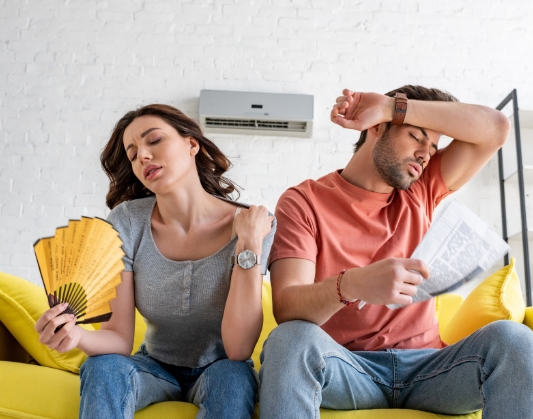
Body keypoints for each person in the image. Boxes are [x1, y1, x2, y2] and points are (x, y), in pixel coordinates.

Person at [259, 86, 533, 418]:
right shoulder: (304, 202)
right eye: (417, 137)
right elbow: (287, 307)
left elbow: (496, 128)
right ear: (376, 127)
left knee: (514, 339)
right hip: (348, 370)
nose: (425, 154)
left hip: (430, 372)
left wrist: (391, 107)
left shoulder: (423, 189)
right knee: (289, 340)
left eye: (433, 147)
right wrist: (352, 285)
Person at [34, 104, 276, 419]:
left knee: (233, 376)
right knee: (103, 366)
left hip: (221, 368)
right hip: (154, 366)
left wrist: (249, 244)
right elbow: (119, 338)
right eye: (133, 154)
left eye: (154, 141)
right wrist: (76, 336)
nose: (143, 156)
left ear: (192, 144)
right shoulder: (127, 222)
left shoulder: (254, 225)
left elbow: (238, 349)